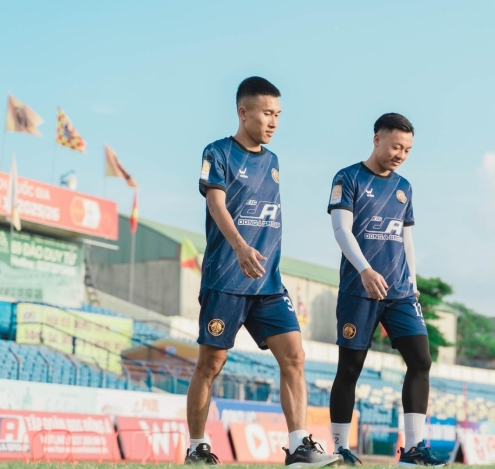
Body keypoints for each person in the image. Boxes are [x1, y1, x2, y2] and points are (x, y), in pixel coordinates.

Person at [186, 76, 340, 467]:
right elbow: (216, 204)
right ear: (243, 112)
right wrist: (240, 247)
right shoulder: (218, 152)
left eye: (278, 115)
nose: (274, 121)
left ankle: (299, 447)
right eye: (267, 113)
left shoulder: (273, 162)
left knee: (295, 356)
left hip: (268, 283)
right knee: (210, 364)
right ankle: (197, 448)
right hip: (226, 279)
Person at [326, 113, 445, 467]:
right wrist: (364, 270)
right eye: (395, 146)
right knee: (350, 368)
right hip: (359, 289)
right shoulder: (348, 178)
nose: (400, 155)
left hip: (400, 293)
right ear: (377, 139)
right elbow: (341, 230)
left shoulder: (404, 187)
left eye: (407, 150)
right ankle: (340, 448)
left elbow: (406, 238)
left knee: (421, 360)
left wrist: (413, 282)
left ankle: (414, 449)